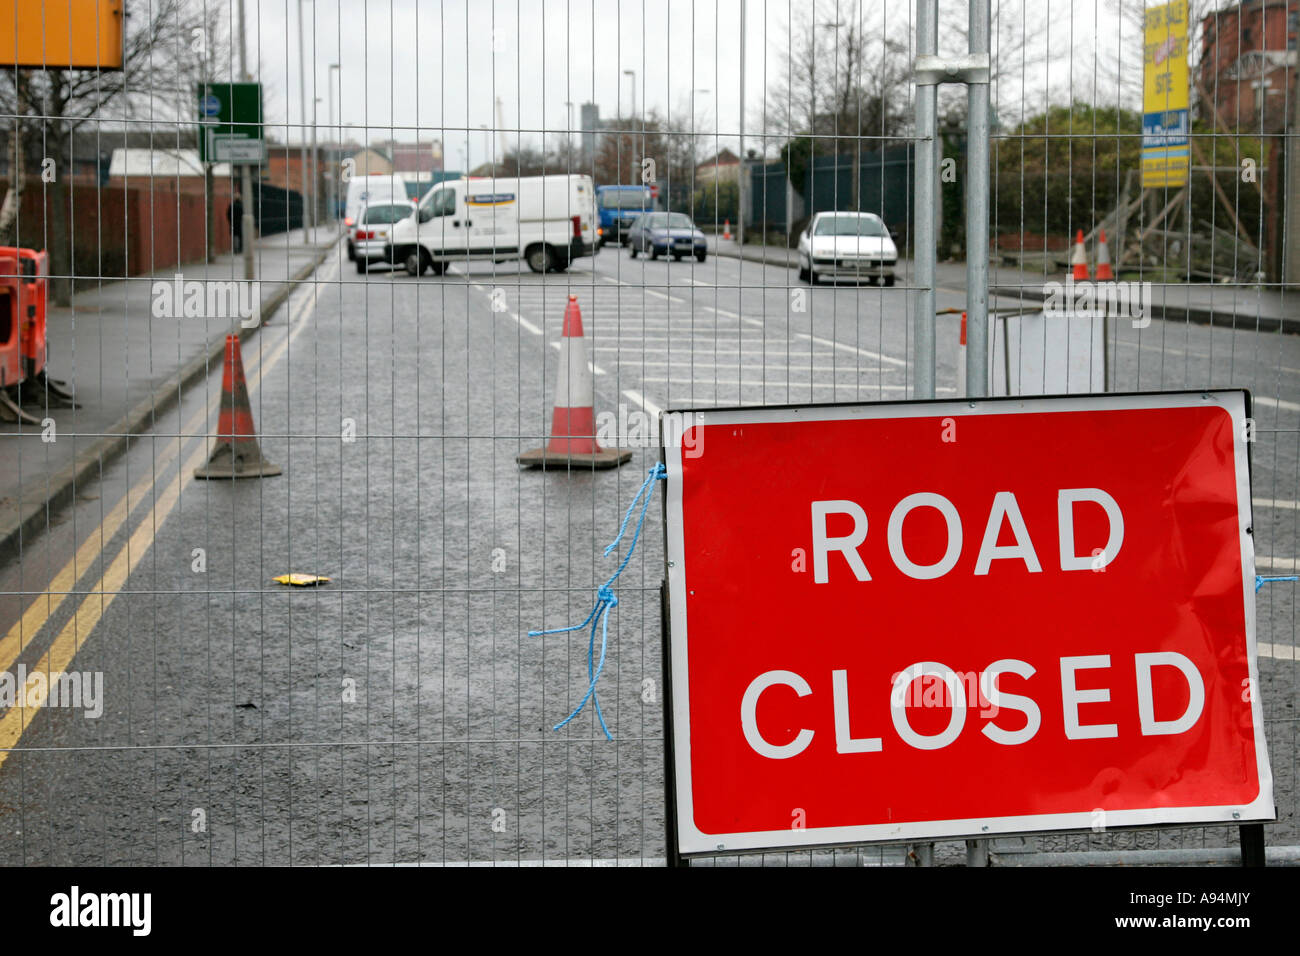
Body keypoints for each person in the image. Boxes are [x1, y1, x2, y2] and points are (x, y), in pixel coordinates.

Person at [227, 188, 244, 254]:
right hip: (240, 223)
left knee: (234, 236)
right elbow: (243, 214)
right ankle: (240, 248)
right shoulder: (241, 206)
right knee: (240, 236)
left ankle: (234, 248)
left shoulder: (231, 206)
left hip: (233, 223)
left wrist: (230, 221)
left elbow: (228, 214)